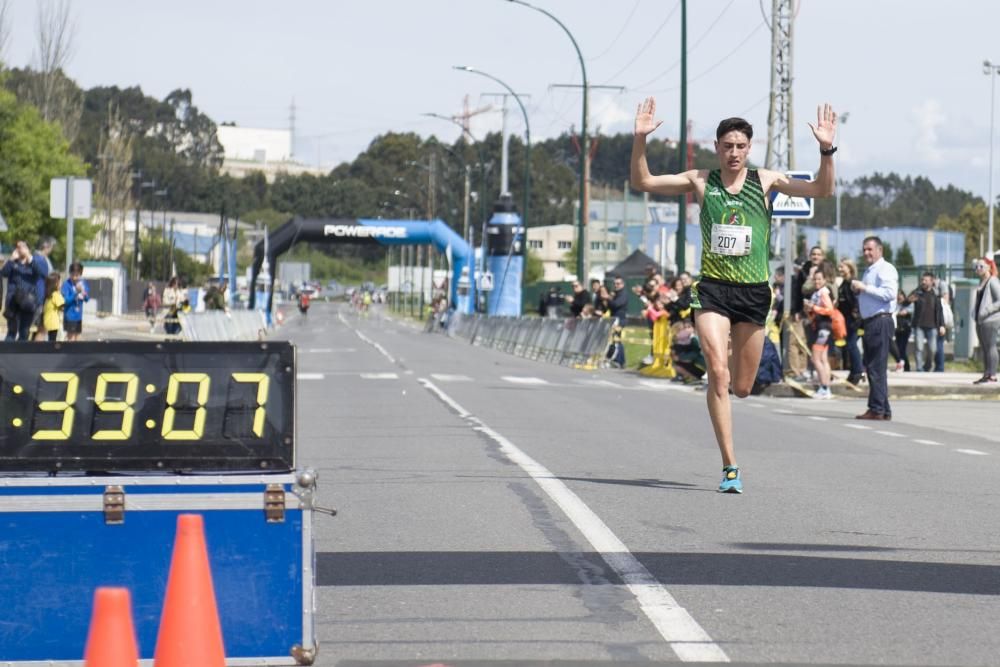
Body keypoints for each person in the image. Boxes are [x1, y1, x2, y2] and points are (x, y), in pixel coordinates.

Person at [631, 97, 838, 493]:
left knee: (742, 386)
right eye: (727, 146)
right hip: (712, 290)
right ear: (717, 147)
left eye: (741, 146)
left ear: (749, 148)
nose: (734, 153)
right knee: (719, 374)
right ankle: (730, 466)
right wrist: (640, 139)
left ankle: (722, 368)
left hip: (754, 294)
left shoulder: (766, 181)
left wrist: (826, 150)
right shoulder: (699, 180)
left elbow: (822, 190)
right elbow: (643, 181)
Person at [851, 236, 898, 420]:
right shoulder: (870, 271)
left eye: (870, 249)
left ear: (880, 250)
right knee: (874, 366)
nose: (866, 253)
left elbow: (889, 294)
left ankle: (877, 408)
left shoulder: (885, 269)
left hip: (880, 320)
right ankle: (883, 408)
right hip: (871, 321)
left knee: (875, 367)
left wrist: (864, 288)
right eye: (864, 250)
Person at [803, 262, 836, 398]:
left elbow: (829, 310)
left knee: (815, 358)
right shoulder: (817, 292)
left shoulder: (823, 292)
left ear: (825, 280)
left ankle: (824, 388)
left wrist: (814, 307)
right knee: (823, 359)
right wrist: (809, 309)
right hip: (821, 327)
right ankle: (825, 388)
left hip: (824, 328)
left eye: (819, 279)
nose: (817, 281)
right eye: (815, 279)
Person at [1, 241, 45, 341]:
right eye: (18, 247)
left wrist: (29, 257)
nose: (20, 249)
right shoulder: (13, 263)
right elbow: (4, 273)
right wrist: (11, 259)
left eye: (23, 247)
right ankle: (7, 355)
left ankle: (20, 355)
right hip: (12, 301)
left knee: (24, 332)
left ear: (28, 249)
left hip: (28, 301)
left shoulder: (33, 263)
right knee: (11, 331)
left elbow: (41, 273)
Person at [909, 272, 944, 372]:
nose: (923, 282)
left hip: (932, 326)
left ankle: (927, 366)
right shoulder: (917, 292)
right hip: (919, 325)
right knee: (919, 348)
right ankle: (919, 368)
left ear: (932, 281)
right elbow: (906, 301)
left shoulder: (936, 294)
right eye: (922, 280)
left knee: (933, 349)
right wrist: (910, 299)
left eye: (926, 280)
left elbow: (939, 311)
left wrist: (942, 325)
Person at [972, 257, 1000, 384]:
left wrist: (986, 311)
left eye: (981, 266)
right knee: (984, 347)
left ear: (989, 267)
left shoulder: (993, 281)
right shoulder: (982, 282)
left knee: (990, 346)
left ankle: (992, 374)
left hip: (991, 319)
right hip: (981, 320)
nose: (978, 269)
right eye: (976, 267)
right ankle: (986, 373)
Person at [837, 259, 864, 384]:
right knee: (849, 345)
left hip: (854, 320)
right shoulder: (844, 283)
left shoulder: (853, 283)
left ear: (850, 268)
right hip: (846, 319)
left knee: (852, 345)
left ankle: (858, 371)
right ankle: (854, 371)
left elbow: (857, 301)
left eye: (842, 267)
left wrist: (855, 316)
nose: (840, 269)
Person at [31, 236, 55, 340]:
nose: (51, 249)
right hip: (40, 296)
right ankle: (36, 352)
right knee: (41, 327)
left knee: (41, 327)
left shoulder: (43, 259)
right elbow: (46, 275)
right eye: (51, 247)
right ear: (46, 246)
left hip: (44, 296)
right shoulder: (38, 259)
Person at [61, 262, 89, 341]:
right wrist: (76, 292)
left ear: (80, 274)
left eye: (77, 275)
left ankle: (76, 353)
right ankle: (69, 353)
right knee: (71, 338)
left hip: (78, 316)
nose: (75, 278)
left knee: (78, 337)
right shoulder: (66, 284)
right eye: (73, 275)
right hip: (69, 316)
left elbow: (87, 299)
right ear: (70, 273)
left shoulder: (83, 283)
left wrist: (83, 293)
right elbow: (66, 301)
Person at [892, 289, 913, 372]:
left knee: (902, 348)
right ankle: (905, 365)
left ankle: (904, 365)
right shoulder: (895, 305)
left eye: (901, 295)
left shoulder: (907, 304)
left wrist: (902, 312)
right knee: (899, 348)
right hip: (897, 329)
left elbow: (908, 311)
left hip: (905, 328)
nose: (899, 297)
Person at [41, 272, 64, 342]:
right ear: (56, 284)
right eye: (60, 282)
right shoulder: (56, 294)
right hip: (54, 323)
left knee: (49, 340)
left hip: (47, 322)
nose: (61, 284)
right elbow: (62, 306)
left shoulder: (47, 295)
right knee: (54, 341)